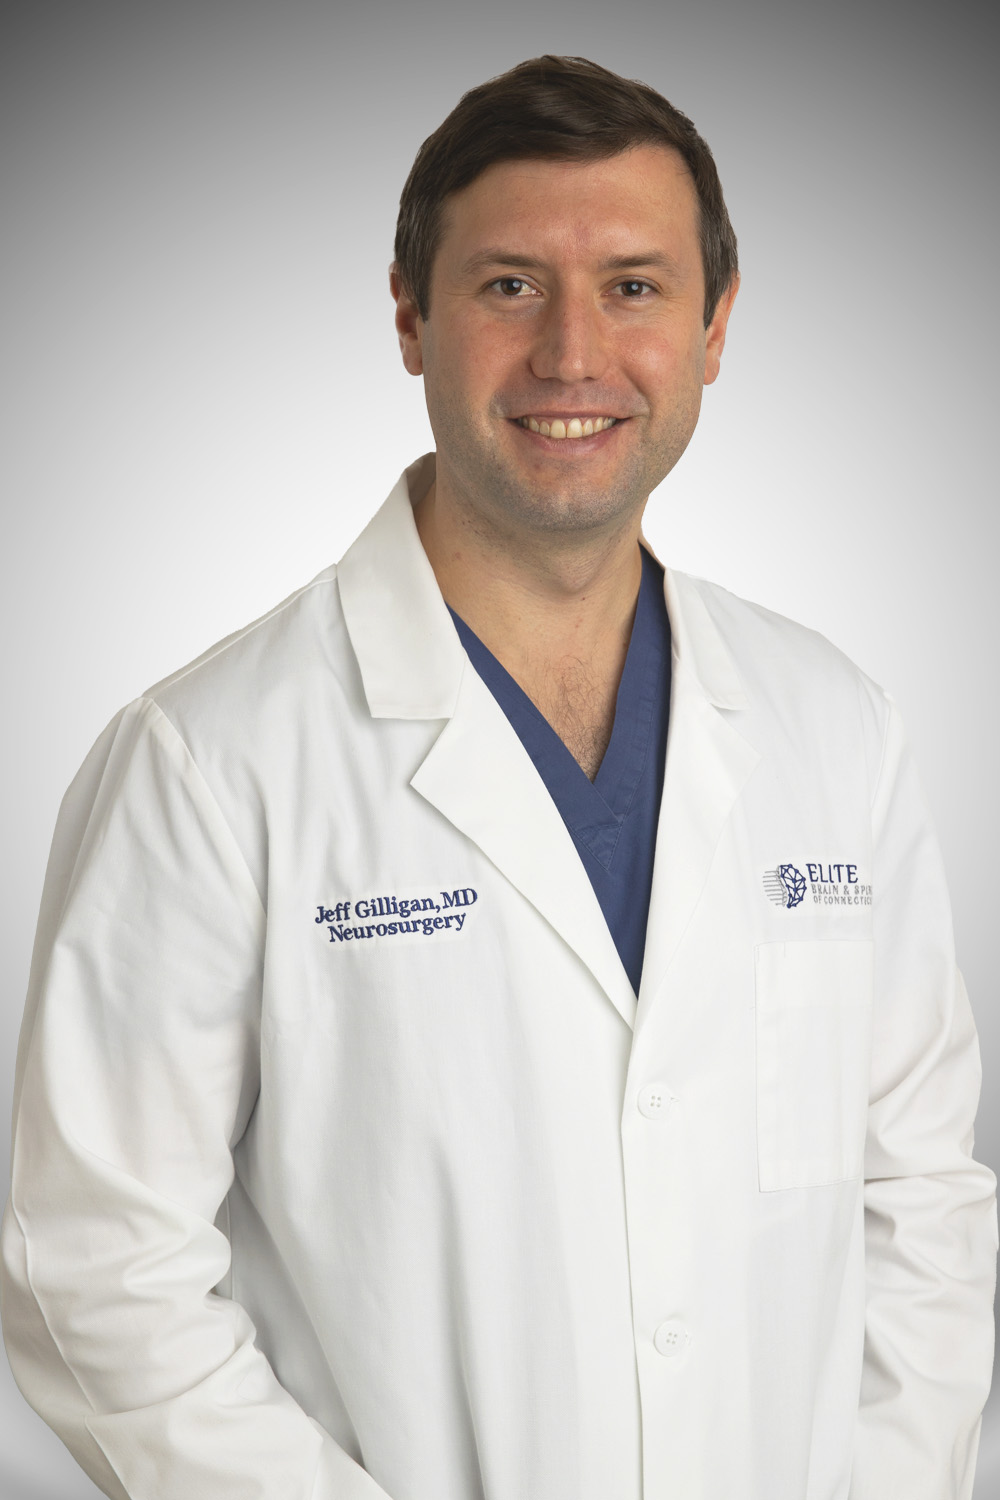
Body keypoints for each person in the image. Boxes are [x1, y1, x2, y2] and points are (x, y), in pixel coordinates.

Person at [1, 52, 995, 1500]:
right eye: (511, 285)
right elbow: (90, 1268)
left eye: (638, 287)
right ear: (410, 318)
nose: (574, 354)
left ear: (718, 327)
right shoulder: (212, 760)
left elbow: (921, 1201)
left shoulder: (834, 727)